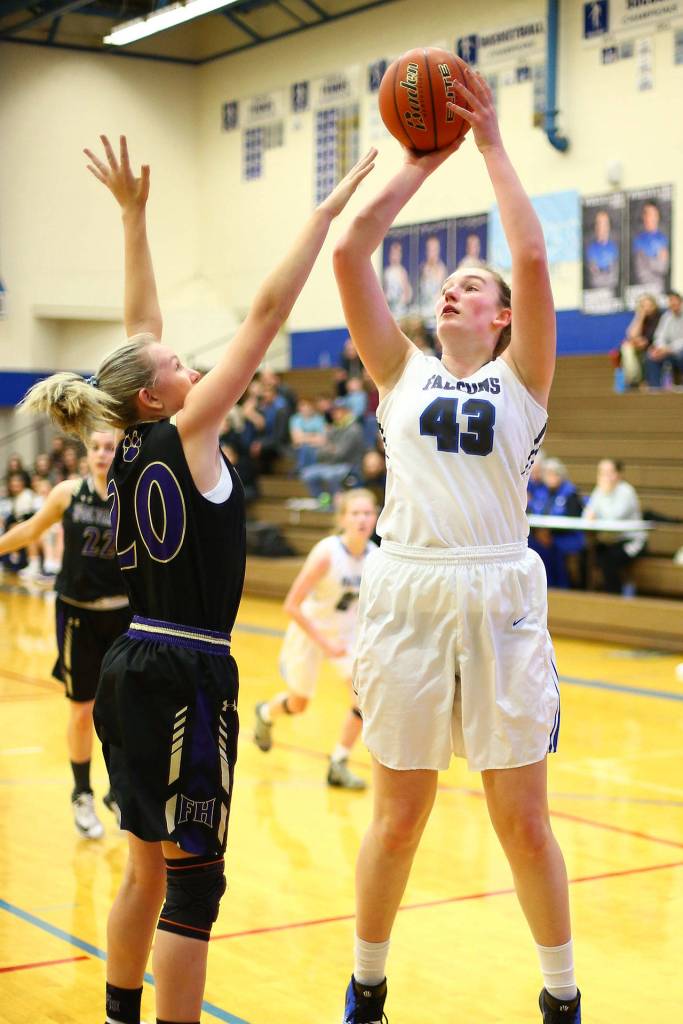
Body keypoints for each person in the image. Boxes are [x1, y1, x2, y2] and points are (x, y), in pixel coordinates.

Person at [21, 133, 375, 1024]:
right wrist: (326, 216)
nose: (190, 363)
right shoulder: (187, 429)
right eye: (181, 367)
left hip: (131, 665)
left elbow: (139, 339)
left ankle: (118, 1013)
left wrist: (134, 219)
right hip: (187, 675)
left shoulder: (130, 439)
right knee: (194, 887)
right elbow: (262, 312)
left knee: (145, 868)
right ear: (160, 395)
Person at [333, 62, 580, 1024]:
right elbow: (353, 250)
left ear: (501, 317)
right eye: (445, 285)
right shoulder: (399, 372)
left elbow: (530, 256)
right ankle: (366, 983)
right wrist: (419, 159)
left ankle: (559, 997)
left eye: (470, 287)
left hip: (499, 595)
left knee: (521, 821)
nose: (453, 292)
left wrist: (488, 143)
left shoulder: (524, 376)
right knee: (398, 819)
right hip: (407, 588)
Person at [0, 430, 129, 838]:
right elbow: (30, 531)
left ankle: (120, 790)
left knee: (128, 708)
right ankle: (82, 793)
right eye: (96, 447)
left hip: (126, 615)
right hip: (77, 613)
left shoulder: (136, 493)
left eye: (110, 447)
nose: (102, 454)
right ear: (86, 454)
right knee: (81, 707)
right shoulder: (68, 494)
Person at [253, 489, 378, 790]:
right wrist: (325, 645)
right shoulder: (327, 553)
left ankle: (339, 762)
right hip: (311, 631)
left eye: (367, 513)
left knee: (362, 702)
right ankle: (266, 712)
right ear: (343, 518)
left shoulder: (376, 556)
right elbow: (291, 605)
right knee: (299, 704)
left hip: (347, 636)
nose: (362, 519)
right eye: (355, 513)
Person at [583, 459, 647, 594]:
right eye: (601, 473)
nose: (605, 476)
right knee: (584, 553)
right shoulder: (599, 490)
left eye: (609, 472)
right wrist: (592, 512)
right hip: (610, 541)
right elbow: (586, 515)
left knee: (608, 561)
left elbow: (613, 518)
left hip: (631, 542)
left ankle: (616, 597)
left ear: (618, 474)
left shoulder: (626, 491)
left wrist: (603, 496)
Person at [528, 458, 585, 589]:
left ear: (561, 475)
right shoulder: (541, 492)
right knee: (531, 545)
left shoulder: (571, 493)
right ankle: (538, 586)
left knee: (552, 548)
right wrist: (539, 533)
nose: (550, 477)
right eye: (547, 474)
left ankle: (560, 586)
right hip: (542, 535)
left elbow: (573, 520)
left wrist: (550, 534)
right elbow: (531, 512)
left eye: (554, 474)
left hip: (566, 536)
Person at [299, 399, 366, 503]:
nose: (336, 414)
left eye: (340, 411)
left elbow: (340, 454)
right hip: (329, 464)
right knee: (307, 474)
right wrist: (330, 449)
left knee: (331, 476)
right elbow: (319, 453)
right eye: (334, 412)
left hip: (348, 465)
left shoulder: (354, 429)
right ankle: (322, 501)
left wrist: (329, 449)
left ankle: (336, 504)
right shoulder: (334, 428)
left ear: (347, 412)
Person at [619, 293, 661, 387]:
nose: (647, 308)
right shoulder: (640, 317)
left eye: (649, 305)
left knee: (646, 353)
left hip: (655, 346)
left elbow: (659, 336)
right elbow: (631, 335)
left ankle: (637, 380)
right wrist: (640, 317)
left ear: (655, 306)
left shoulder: (660, 317)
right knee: (626, 347)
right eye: (643, 306)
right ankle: (633, 378)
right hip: (640, 346)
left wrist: (646, 341)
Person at [644, 290, 683, 388]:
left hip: (678, 351)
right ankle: (655, 389)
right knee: (651, 356)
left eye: (675, 301)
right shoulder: (666, 317)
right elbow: (659, 336)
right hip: (668, 352)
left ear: (681, 302)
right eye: (671, 301)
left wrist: (669, 349)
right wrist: (660, 349)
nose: (673, 304)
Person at [632, 199, 669, 292]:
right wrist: (655, 260)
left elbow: (663, 268)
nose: (649, 218)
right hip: (642, 290)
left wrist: (647, 260)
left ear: (657, 217)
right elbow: (640, 271)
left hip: (659, 289)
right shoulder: (638, 240)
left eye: (652, 214)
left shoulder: (663, 239)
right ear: (643, 217)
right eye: (646, 214)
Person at [585, 208, 619, 291]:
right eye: (598, 224)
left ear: (609, 227)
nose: (601, 228)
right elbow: (594, 281)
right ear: (595, 226)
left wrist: (600, 273)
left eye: (604, 224)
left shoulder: (614, 248)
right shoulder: (589, 250)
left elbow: (614, 279)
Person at [382, 239, 412, 319]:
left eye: (397, 254)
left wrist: (401, 301)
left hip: (400, 311)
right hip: (390, 310)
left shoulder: (402, 272)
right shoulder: (387, 272)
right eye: (393, 254)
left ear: (400, 255)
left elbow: (407, 293)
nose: (394, 256)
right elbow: (385, 291)